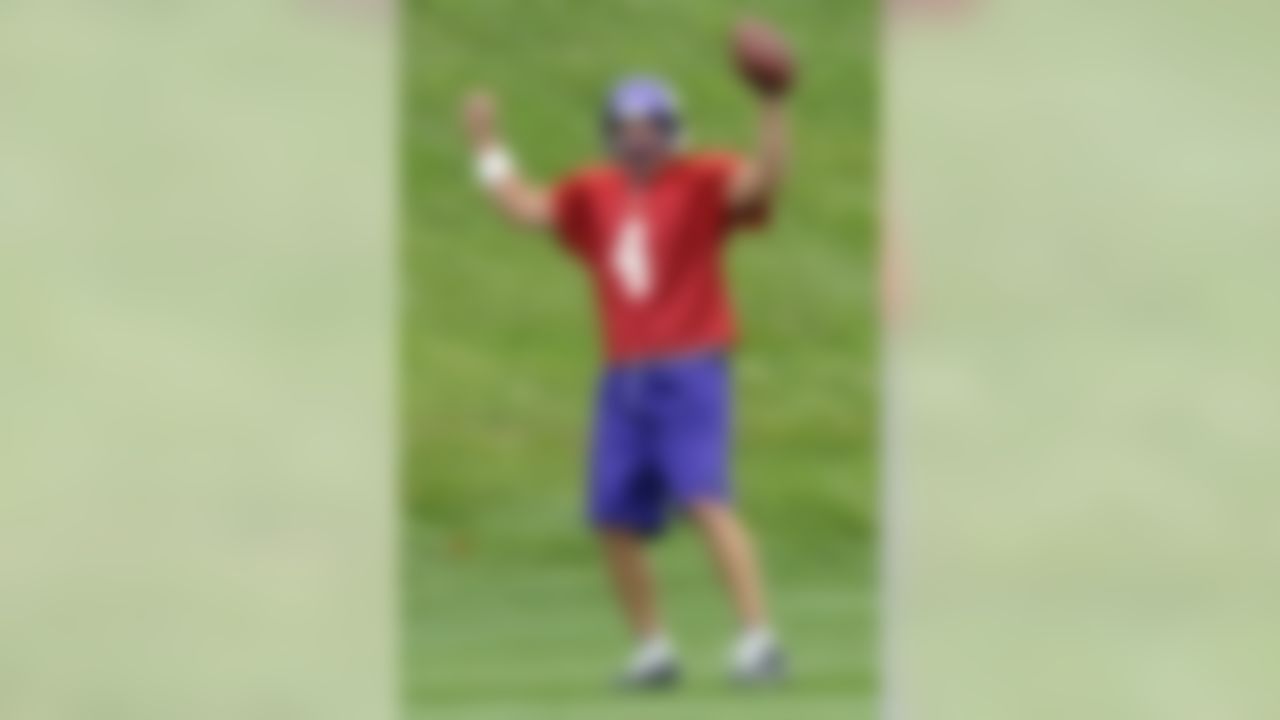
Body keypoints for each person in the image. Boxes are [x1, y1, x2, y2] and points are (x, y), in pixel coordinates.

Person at [460, 21, 792, 689]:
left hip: (691, 365)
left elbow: (761, 184)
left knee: (704, 497)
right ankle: (653, 650)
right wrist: (487, 146)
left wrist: (771, 104)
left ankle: (758, 640)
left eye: (653, 124)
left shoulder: (702, 178)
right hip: (624, 375)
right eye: (626, 124)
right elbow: (526, 208)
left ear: (674, 129)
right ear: (610, 132)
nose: (639, 135)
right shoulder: (594, 191)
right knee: (612, 516)